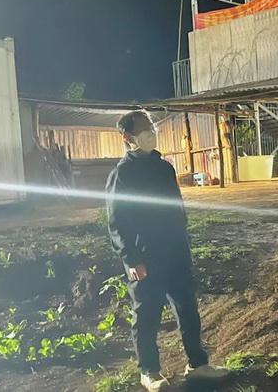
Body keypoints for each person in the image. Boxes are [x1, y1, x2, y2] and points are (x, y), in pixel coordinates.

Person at [106, 110, 229, 392]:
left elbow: (177, 209)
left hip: (176, 249)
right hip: (146, 254)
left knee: (187, 308)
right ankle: (149, 371)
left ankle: (197, 364)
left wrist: (183, 242)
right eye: (143, 128)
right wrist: (131, 259)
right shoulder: (122, 174)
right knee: (147, 313)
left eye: (151, 126)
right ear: (127, 136)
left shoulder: (164, 167)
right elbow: (117, 222)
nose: (150, 132)